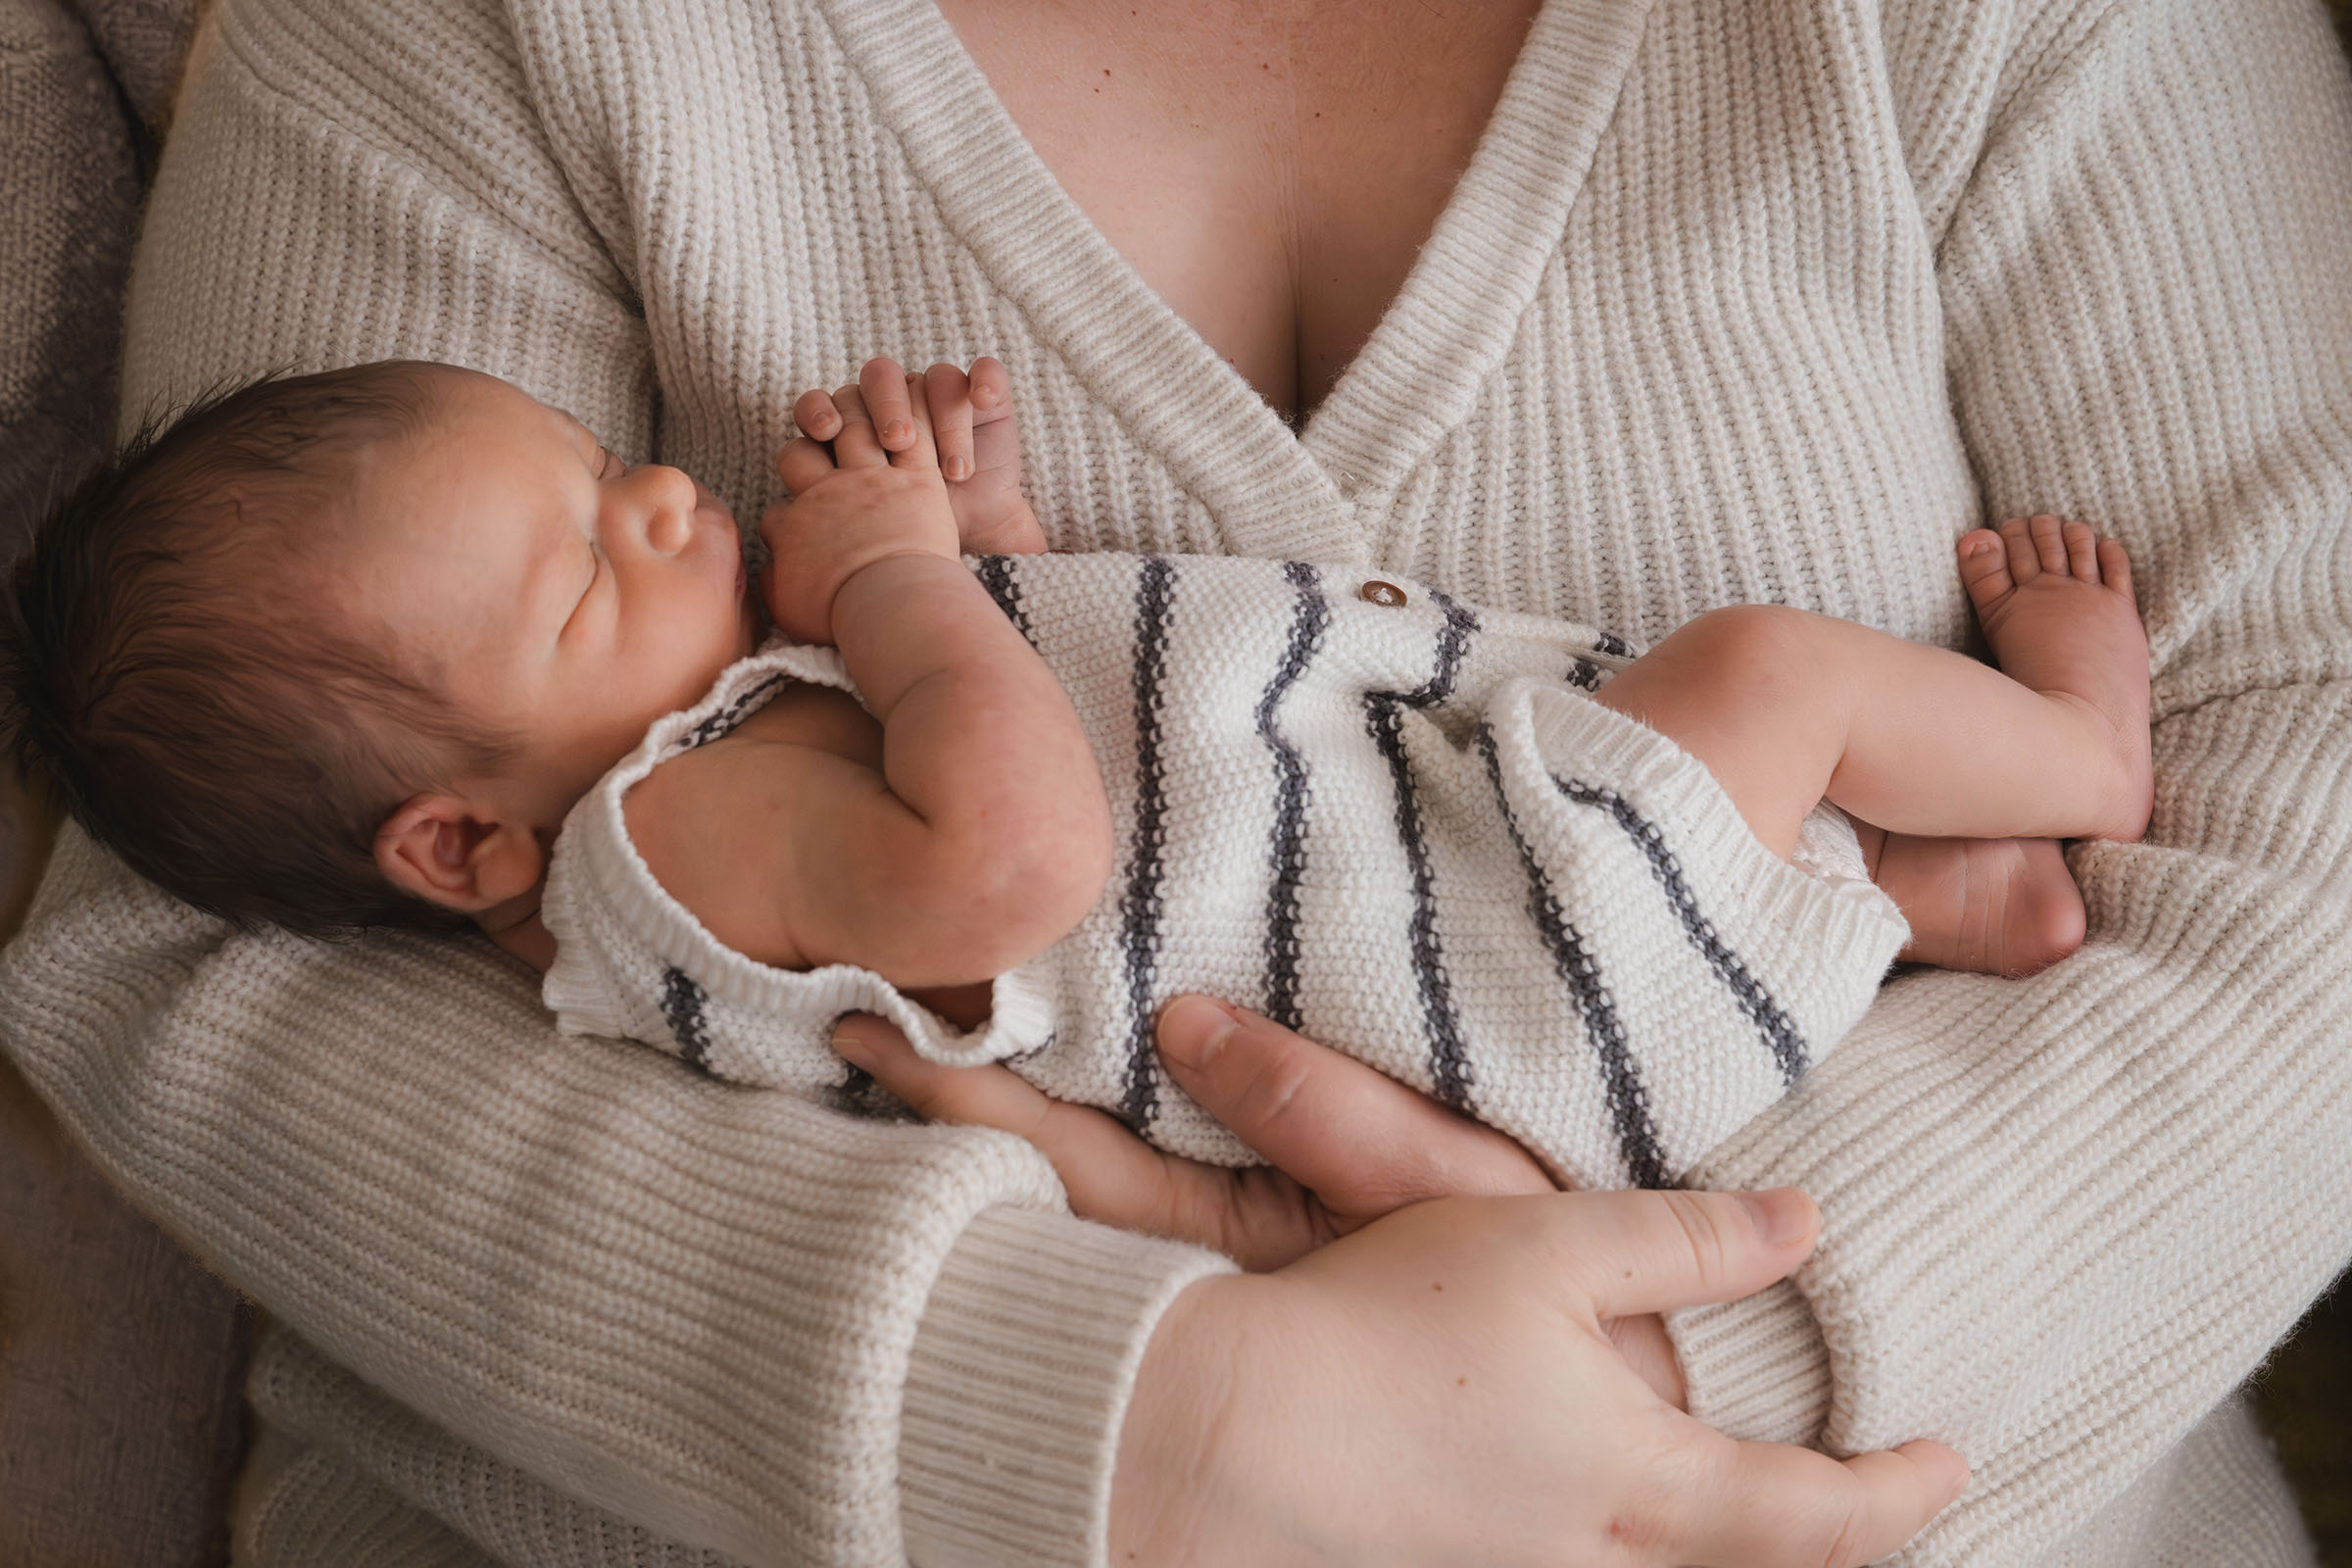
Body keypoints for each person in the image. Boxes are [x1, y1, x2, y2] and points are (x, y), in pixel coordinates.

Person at [0, 0, 2344, 1560]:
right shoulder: (479, 39)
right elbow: (229, 949)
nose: (663, 510)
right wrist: (1149, 1419)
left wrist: (1672, 1383)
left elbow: (2318, 758)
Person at [6, 350, 2147, 1191]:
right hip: (1508, 982)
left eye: (603, 463)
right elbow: (1031, 859)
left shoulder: (726, 786)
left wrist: (995, 559)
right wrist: (908, 588)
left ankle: (1945, 896)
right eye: (586, 564)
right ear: (460, 834)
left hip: (1510, 986)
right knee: (1755, 671)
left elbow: (1075, 760)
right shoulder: (664, 831)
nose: (664, 494)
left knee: (1681, 736)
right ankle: (2084, 748)